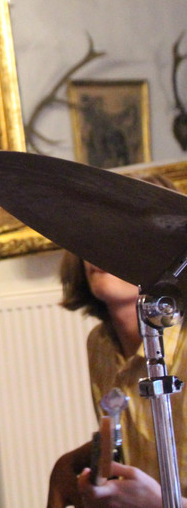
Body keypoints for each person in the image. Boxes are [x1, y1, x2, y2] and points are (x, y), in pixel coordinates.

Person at [47, 178, 187, 508]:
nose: (102, 248)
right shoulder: (100, 344)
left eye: (126, 235)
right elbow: (135, 450)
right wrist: (74, 465)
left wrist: (162, 503)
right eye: (94, 233)